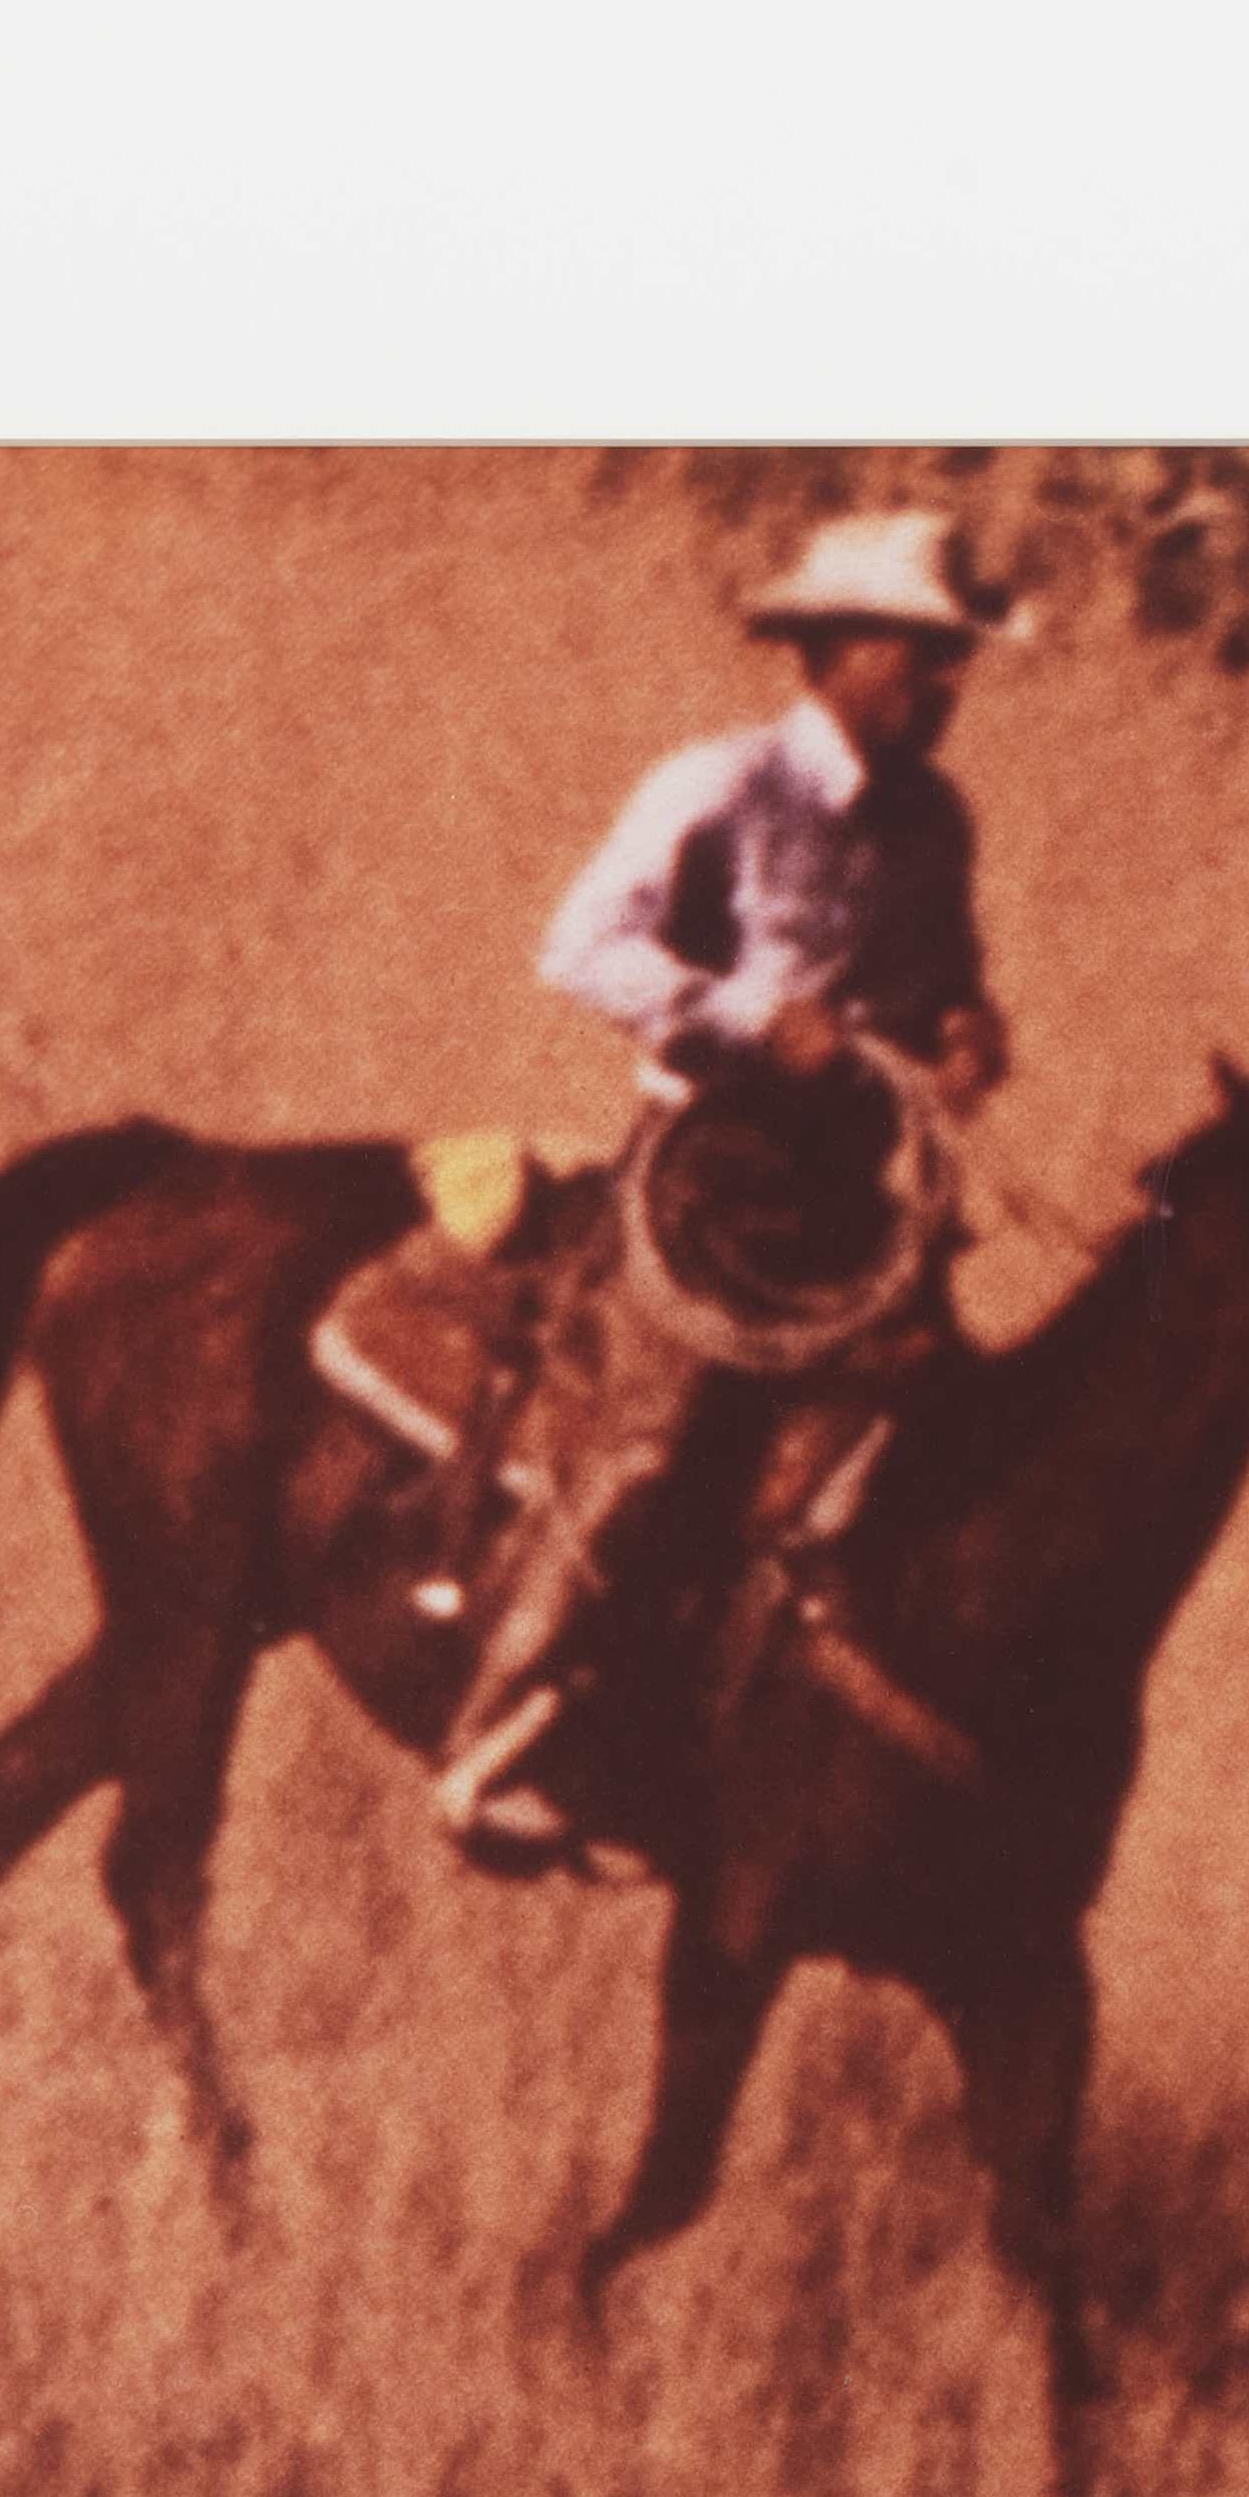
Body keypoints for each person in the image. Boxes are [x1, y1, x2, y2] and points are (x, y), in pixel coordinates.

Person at [432, 508, 1025, 1864]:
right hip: (706, 1180)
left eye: (953, 660)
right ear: (835, 649)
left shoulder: (938, 823)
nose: (944, 686)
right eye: (920, 655)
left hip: (858, 1202)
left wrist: (967, 1031)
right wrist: (750, 1016)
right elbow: (578, 947)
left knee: (943, 1430)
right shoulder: (721, 786)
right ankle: (488, 1737)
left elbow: (946, 979)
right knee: (658, 1440)